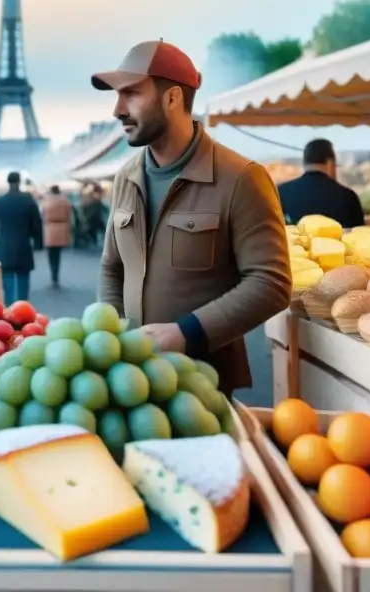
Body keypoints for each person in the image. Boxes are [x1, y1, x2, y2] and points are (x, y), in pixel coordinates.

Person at [93, 40, 292, 394]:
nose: (117, 110)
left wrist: (185, 333)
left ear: (172, 98)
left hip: (203, 387)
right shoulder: (126, 177)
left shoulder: (241, 177)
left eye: (132, 94)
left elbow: (270, 283)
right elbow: (112, 266)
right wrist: (110, 334)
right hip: (130, 382)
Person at [277, 139, 365, 228]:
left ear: (304, 162)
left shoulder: (281, 193)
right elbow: (360, 235)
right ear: (330, 162)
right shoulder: (347, 196)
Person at [0, 171, 43, 304]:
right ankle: (23, 307)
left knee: (7, 281)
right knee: (23, 278)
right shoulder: (29, 202)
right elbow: (37, 225)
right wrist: (38, 243)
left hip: (4, 246)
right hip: (23, 245)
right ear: (19, 182)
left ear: (8, 182)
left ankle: (10, 309)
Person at [41, 185, 72, 288]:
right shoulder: (65, 201)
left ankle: (53, 274)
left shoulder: (47, 202)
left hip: (50, 228)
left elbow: (42, 214)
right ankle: (56, 274)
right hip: (62, 227)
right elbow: (69, 215)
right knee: (58, 254)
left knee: (51, 254)